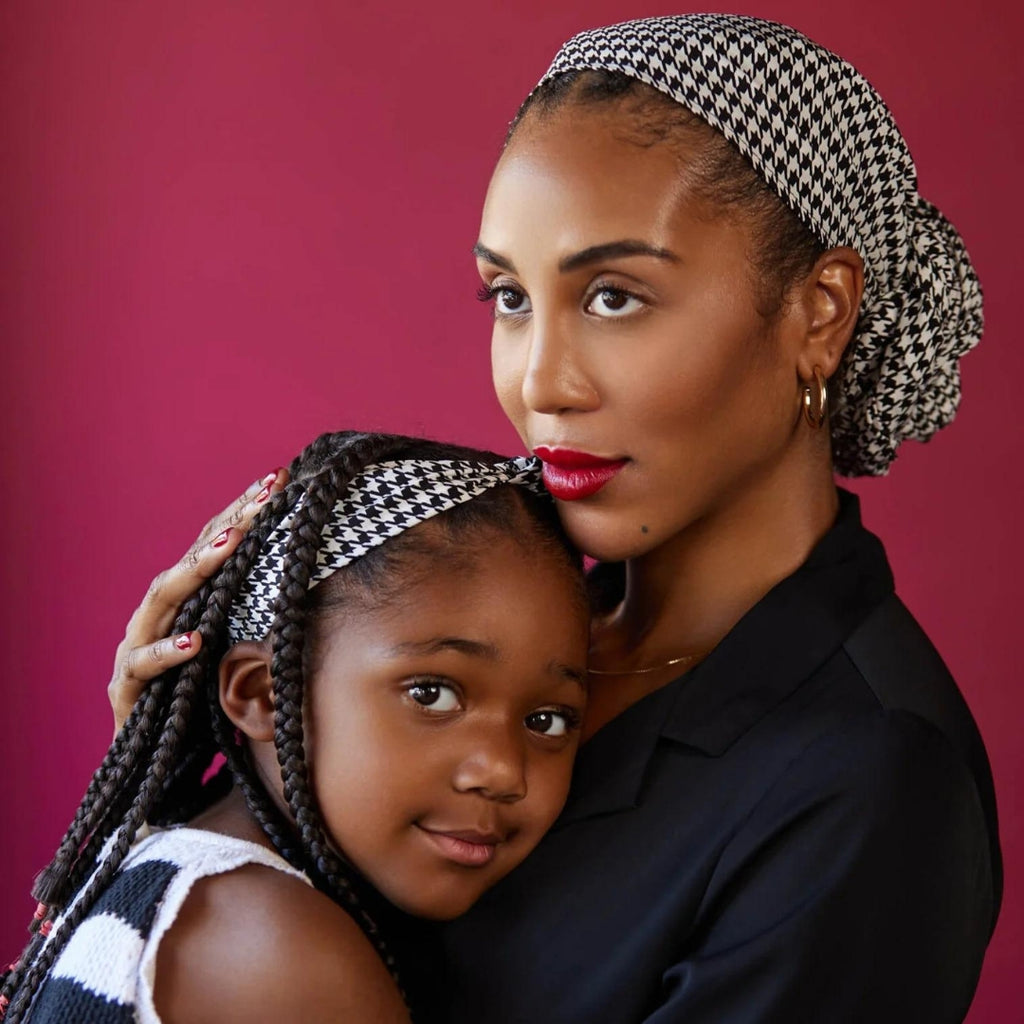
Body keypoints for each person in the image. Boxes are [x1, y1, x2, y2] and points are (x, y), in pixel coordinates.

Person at [102, 14, 1000, 1023]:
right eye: (509, 297)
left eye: (615, 298)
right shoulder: (509, 604)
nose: (540, 384)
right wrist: (211, 781)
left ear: (818, 311)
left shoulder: (871, 786)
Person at [0, 431, 591, 1023]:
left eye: (547, 720)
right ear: (263, 694)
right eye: (432, 694)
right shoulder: (277, 950)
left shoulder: (167, 871)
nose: (503, 770)